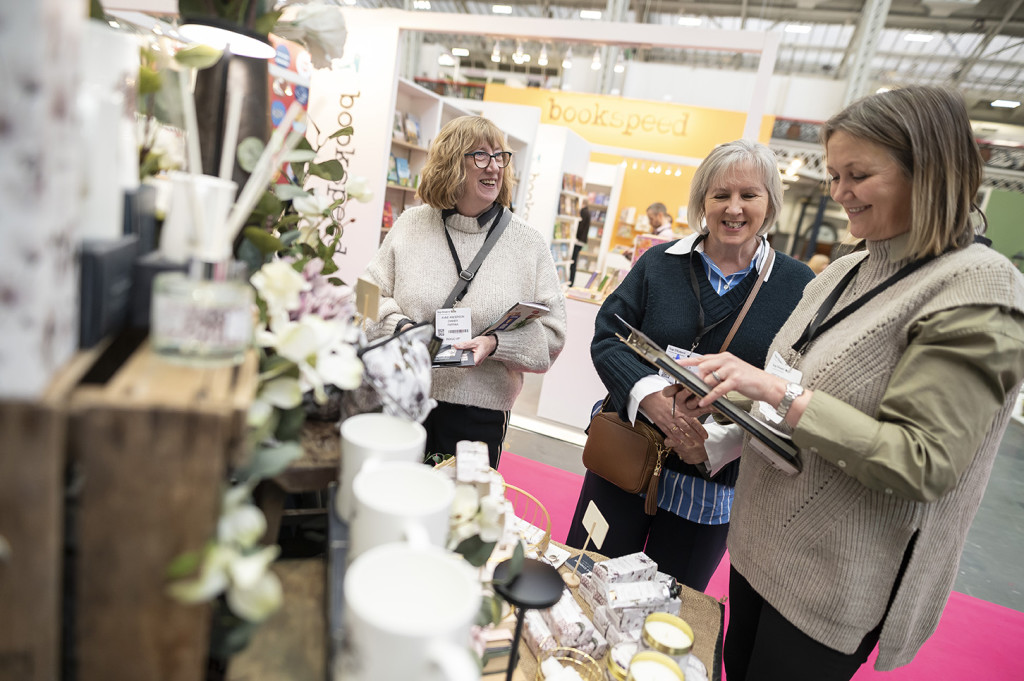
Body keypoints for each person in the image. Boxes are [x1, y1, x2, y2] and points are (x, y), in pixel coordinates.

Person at [668, 86, 1024, 680]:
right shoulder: (846, 268)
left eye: (858, 174)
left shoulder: (978, 287)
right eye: (834, 174)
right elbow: (800, 386)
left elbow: (923, 462)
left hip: (830, 586)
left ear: (929, 173)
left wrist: (776, 392)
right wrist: (726, 437)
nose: (839, 193)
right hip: (757, 551)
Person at [565, 140, 815, 591]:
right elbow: (609, 336)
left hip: (710, 486)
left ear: (770, 203)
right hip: (626, 454)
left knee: (664, 607)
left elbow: (792, 387)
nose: (733, 208)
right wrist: (650, 398)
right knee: (585, 581)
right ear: (702, 200)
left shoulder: (797, 286)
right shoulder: (659, 264)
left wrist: (717, 446)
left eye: (748, 195)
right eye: (720, 195)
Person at [362, 116, 567, 468]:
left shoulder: (527, 243)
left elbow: (553, 334)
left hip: (479, 415)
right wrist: (400, 329)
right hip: (401, 396)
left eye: (500, 156)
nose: (495, 167)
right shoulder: (411, 224)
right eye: (481, 156)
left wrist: (496, 344)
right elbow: (365, 295)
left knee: (462, 514)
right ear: (452, 163)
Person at [569, 197, 591, 286]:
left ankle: (570, 282)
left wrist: (574, 236)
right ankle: (571, 282)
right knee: (574, 262)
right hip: (581, 241)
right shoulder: (588, 212)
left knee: (572, 262)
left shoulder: (583, 212)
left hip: (577, 241)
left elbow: (580, 227)